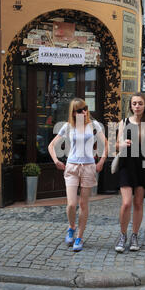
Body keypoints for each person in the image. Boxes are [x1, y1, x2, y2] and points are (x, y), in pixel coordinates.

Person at [48, 98, 107, 252]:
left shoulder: (94, 125)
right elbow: (51, 146)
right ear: (73, 112)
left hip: (88, 166)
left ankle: (79, 237)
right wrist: (56, 161)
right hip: (72, 166)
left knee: (83, 204)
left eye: (85, 109)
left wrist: (101, 161)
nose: (84, 112)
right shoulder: (68, 127)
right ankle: (71, 227)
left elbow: (106, 144)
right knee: (71, 204)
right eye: (80, 110)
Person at [115, 92, 145, 253]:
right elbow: (115, 146)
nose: (137, 106)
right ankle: (122, 235)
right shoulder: (124, 122)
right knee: (126, 203)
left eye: (140, 103)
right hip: (126, 164)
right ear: (130, 106)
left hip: (143, 165)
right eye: (134, 104)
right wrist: (122, 144)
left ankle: (134, 235)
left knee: (138, 203)